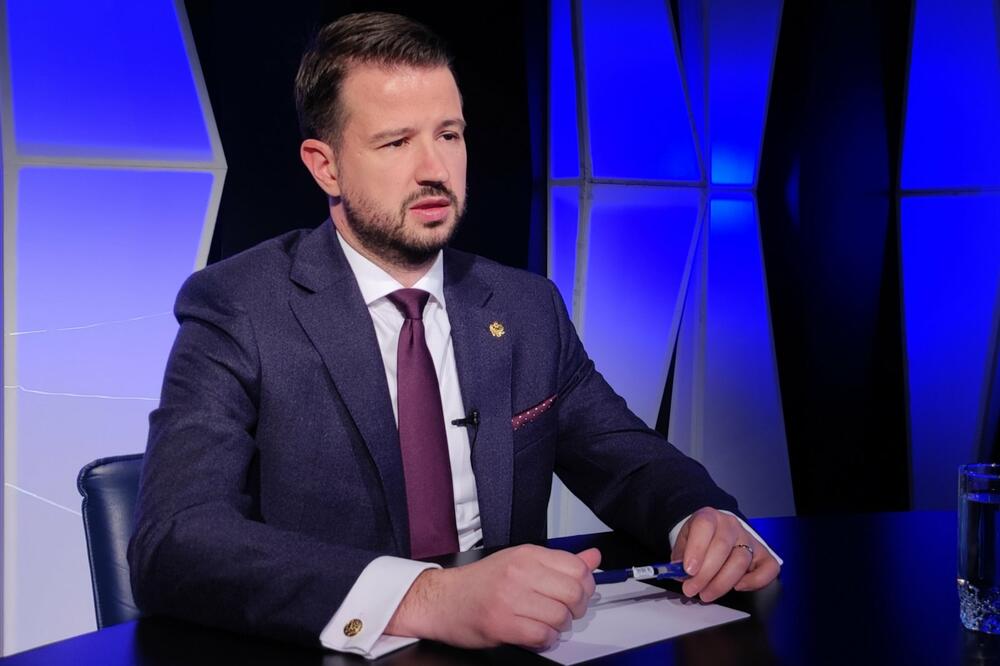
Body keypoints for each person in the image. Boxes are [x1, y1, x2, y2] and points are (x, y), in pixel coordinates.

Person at [128, 11, 781, 659]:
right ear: (325, 167)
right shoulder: (240, 306)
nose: (434, 168)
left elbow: (627, 458)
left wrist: (701, 517)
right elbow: (175, 539)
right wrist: (430, 598)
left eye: (448, 134)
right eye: (396, 143)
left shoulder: (526, 307)